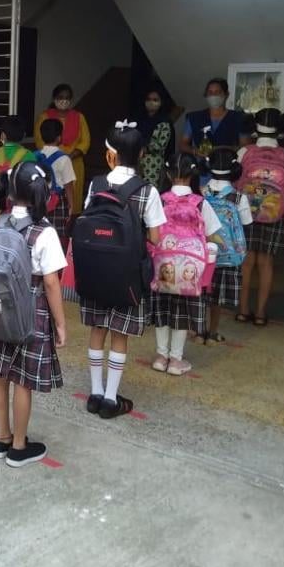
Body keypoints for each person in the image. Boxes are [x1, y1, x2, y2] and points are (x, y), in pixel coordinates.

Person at [0, 161, 67, 467]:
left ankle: (1, 437)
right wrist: (60, 324)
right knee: (22, 380)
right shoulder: (45, 232)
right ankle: (18, 446)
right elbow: (51, 283)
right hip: (31, 309)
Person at [81, 122, 166, 420]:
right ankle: (110, 399)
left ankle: (94, 393)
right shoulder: (147, 191)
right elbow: (155, 237)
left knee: (97, 330)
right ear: (141, 154)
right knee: (119, 335)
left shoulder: (96, 185)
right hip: (127, 275)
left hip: (95, 271)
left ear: (110, 155)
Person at [148, 154, 222, 376]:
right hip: (189, 269)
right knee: (181, 312)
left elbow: (150, 232)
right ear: (193, 174)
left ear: (168, 173)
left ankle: (161, 356)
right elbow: (212, 234)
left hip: (161, 265)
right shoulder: (200, 202)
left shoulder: (160, 200)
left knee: (162, 309)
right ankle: (176, 360)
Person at [237, 108, 284, 327]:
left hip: (246, 214)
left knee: (246, 262)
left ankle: (243, 310)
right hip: (275, 215)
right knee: (266, 263)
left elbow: (234, 180)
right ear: (280, 128)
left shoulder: (244, 152)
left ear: (254, 127)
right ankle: (261, 313)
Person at [201, 148, 252, 343]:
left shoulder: (201, 192)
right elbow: (247, 223)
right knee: (217, 298)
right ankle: (213, 332)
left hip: (201, 252)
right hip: (227, 256)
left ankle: (198, 331)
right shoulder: (239, 198)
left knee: (199, 292)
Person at [35, 84, 92, 212]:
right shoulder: (44, 117)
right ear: (54, 98)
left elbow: (86, 141)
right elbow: (40, 140)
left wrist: (71, 155)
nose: (64, 100)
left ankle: (71, 215)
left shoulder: (79, 117)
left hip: (75, 162)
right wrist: (58, 155)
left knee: (73, 194)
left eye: (67, 98)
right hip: (50, 161)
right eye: (60, 97)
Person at [180, 78, 250, 156]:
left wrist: (225, 149)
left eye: (218, 92)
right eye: (210, 92)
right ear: (206, 95)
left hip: (229, 161)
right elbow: (183, 144)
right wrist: (196, 151)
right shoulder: (194, 118)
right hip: (201, 161)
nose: (213, 95)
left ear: (226, 95)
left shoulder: (238, 118)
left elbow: (245, 147)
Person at [37, 118, 76, 248]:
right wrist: (71, 205)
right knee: (57, 236)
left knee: (39, 231)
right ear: (59, 137)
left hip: (38, 199)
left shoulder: (35, 156)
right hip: (57, 202)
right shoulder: (64, 159)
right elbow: (68, 185)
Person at [134, 85, 175, 186]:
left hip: (153, 165)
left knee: (150, 190)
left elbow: (160, 146)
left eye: (155, 100)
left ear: (161, 102)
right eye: (148, 99)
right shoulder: (139, 120)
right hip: (136, 162)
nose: (151, 102)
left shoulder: (164, 122)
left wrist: (144, 147)